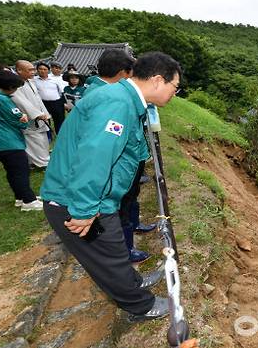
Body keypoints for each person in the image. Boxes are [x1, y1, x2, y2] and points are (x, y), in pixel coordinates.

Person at [40, 51, 183, 321]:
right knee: (110, 256)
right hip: (78, 199)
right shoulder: (117, 105)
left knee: (114, 250)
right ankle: (140, 306)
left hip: (92, 195)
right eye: (175, 87)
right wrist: (83, 210)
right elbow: (95, 157)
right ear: (157, 80)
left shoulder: (122, 99)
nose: (175, 93)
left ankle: (134, 282)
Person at [84, 48, 155, 264]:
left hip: (132, 158)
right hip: (120, 165)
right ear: (124, 73)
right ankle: (126, 250)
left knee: (131, 198)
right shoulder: (107, 99)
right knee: (122, 205)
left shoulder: (115, 94)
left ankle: (133, 227)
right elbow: (102, 148)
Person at [0, 69, 43, 211]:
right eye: (15, 88)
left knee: (12, 170)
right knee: (20, 171)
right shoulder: (1, 99)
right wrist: (24, 119)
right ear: (8, 86)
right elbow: (19, 121)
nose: (14, 92)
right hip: (8, 141)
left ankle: (20, 197)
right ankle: (29, 201)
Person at [11, 60, 51, 168]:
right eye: (30, 70)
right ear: (19, 70)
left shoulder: (30, 81)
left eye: (33, 69)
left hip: (40, 116)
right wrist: (36, 114)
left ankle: (39, 160)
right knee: (34, 140)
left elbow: (38, 99)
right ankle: (43, 163)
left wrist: (44, 113)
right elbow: (21, 101)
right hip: (29, 117)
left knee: (42, 139)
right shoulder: (15, 84)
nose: (33, 72)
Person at [34, 62, 66, 134]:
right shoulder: (34, 80)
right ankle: (48, 134)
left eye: (45, 69)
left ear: (48, 70)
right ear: (37, 70)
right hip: (43, 102)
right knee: (45, 119)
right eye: (40, 69)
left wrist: (63, 102)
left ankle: (60, 133)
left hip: (56, 102)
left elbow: (61, 91)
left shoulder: (54, 79)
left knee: (59, 119)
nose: (42, 71)